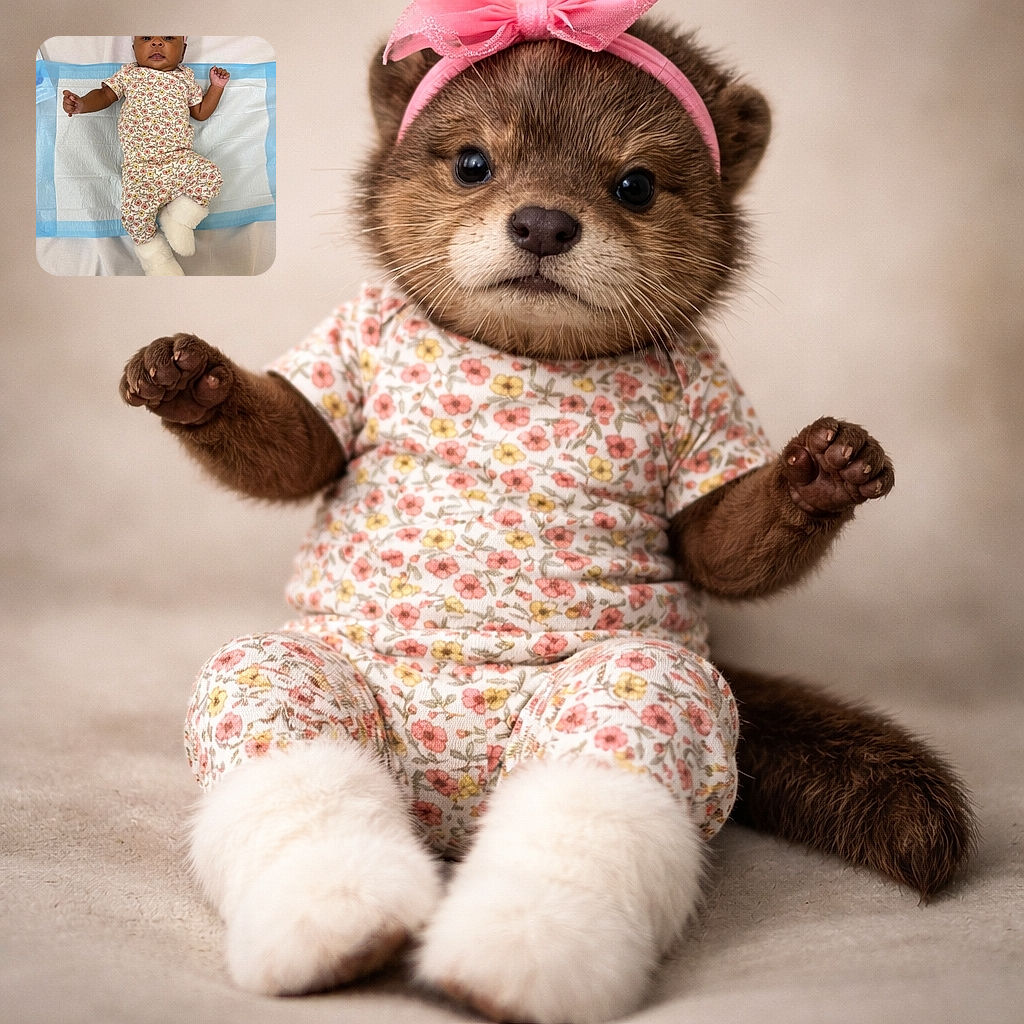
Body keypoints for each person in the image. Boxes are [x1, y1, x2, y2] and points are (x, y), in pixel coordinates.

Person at [62, 35, 229, 275]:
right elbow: (105, 95)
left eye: (168, 38)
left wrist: (216, 87)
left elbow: (200, 113)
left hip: (178, 158)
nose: (157, 43)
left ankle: (179, 218)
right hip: (140, 168)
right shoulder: (129, 74)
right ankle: (158, 261)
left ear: (183, 51)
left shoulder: (185, 79)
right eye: (147, 38)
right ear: (134, 49)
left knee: (211, 176)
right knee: (133, 218)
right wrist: (82, 104)